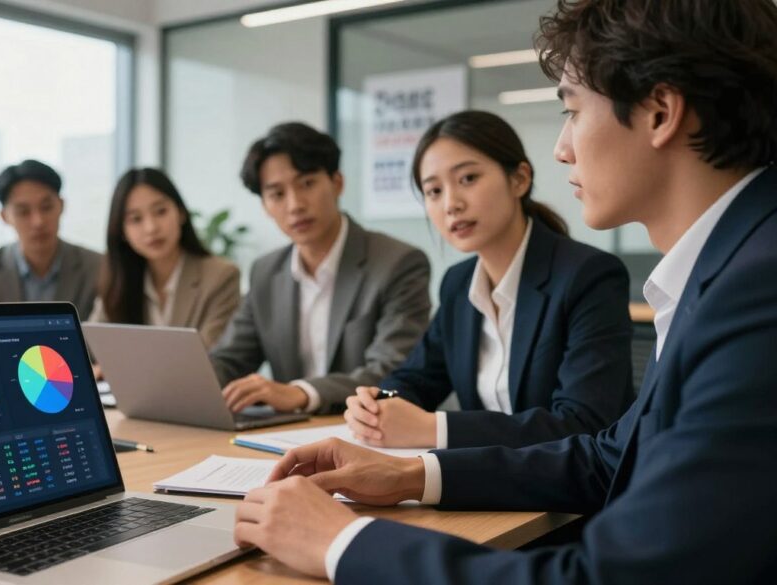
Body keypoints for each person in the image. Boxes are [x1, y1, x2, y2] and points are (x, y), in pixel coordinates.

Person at [233, 0, 777, 582]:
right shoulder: (729, 267)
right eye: (434, 190)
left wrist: (342, 543)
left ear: (661, 112)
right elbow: (610, 456)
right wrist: (410, 473)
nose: (562, 147)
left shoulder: (756, 290)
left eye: (572, 110)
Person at [344, 110, 633, 450]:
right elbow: (417, 377)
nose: (451, 204)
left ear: (519, 179)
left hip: (577, 497)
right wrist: (378, 402)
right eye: (434, 191)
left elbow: (585, 423)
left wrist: (436, 429)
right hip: (488, 490)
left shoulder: (588, 275)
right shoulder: (458, 283)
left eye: (467, 179)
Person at [209, 122, 432, 415]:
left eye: (307, 184)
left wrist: (301, 393)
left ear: (337, 182)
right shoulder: (266, 271)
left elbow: (392, 371)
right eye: (277, 194)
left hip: (369, 432)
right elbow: (231, 360)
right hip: (287, 440)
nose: (295, 205)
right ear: (264, 205)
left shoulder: (398, 263)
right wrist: (183, 385)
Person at [88, 168, 240, 348]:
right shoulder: (120, 279)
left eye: (160, 211)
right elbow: (93, 343)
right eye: (136, 219)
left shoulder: (220, 276)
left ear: (181, 213)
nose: (151, 228)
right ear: (122, 232)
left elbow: (209, 355)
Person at [0, 159, 102, 317]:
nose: (38, 222)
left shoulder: (99, 268)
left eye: (46, 207)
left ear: (61, 206)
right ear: (4, 216)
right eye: (23, 212)